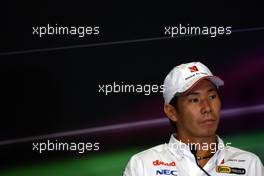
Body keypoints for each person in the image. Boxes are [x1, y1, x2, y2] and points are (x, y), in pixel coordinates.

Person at [123, 61, 264, 176]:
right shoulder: (142, 165)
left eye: (212, 97)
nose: (207, 108)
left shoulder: (249, 163)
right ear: (171, 111)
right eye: (194, 100)